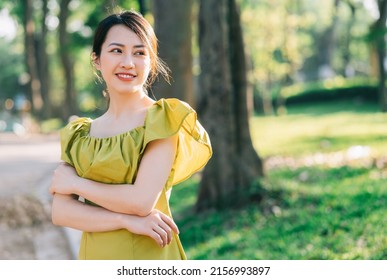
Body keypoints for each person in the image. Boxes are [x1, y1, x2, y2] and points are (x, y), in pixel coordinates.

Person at [49, 10, 212, 260]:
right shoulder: (80, 134)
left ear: (151, 62)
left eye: (139, 53)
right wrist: (125, 220)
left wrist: (75, 184)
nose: (128, 62)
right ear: (96, 59)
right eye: (116, 50)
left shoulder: (162, 119)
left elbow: (141, 201)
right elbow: (61, 212)